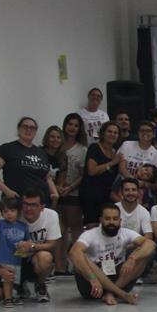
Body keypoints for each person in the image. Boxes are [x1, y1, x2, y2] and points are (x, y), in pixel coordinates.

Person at [69, 203, 153, 305]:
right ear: (101, 220)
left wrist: (132, 258)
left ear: (120, 221)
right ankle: (122, 294)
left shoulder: (126, 233)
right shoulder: (90, 234)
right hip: (94, 285)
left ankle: (111, 293)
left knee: (143, 256)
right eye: (107, 219)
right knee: (81, 257)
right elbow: (74, 252)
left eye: (115, 219)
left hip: (119, 280)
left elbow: (150, 244)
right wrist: (92, 278)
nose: (111, 222)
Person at [0, 117, 57, 204]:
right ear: (18, 129)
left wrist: (54, 193)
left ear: (35, 131)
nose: (28, 130)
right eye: (25, 127)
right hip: (17, 202)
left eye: (32, 128)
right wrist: (7, 191)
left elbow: (48, 177)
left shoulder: (41, 152)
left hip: (40, 203)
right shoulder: (7, 148)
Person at [57, 113, 88, 274]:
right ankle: (60, 266)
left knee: (75, 229)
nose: (72, 128)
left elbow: (83, 174)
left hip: (73, 193)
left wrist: (69, 188)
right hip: (55, 193)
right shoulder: (57, 144)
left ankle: (77, 265)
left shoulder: (82, 149)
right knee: (59, 231)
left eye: (76, 125)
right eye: (70, 124)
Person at [0, 197, 29, 308]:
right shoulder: (2, 224)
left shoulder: (23, 226)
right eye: (6, 211)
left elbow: (28, 241)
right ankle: (8, 299)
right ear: (2, 213)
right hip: (4, 257)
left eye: (12, 211)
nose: (9, 214)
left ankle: (14, 296)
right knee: (7, 278)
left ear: (18, 212)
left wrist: (25, 246)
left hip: (17, 258)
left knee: (15, 279)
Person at [80, 121, 121, 227]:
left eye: (115, 133)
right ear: (103, 133)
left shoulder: (116, 152)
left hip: (107, 197)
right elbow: (92, 171)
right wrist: (112, 163)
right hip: (91, 195)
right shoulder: (94, 148)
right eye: (109, 131)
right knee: (92, 228)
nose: (112, 134)